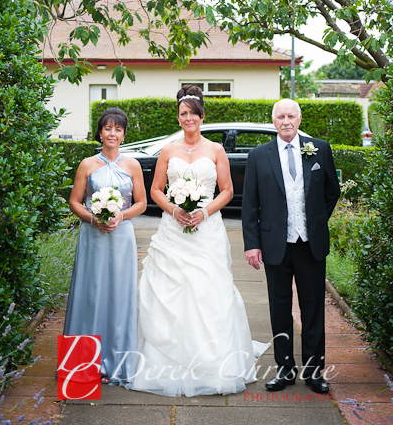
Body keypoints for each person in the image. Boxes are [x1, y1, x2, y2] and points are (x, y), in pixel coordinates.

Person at [125, 85, 269, 397]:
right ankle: (163, 360)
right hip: (173, 231)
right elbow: (155, 191)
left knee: (208, 289)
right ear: (178, 118)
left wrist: (203, 212)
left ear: (202, 116)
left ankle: (213, 361)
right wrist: (175, 209)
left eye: (192, 113)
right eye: (183, 113)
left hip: (206, 229)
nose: (188, 118)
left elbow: (228, 191)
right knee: (168, 290)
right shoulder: (168, 150)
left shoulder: (216, 150)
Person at [242, 98, 340, 394]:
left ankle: (313, 372)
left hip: (310, 244)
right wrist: (252, 244)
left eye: (291, 116)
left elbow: (330, 192)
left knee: (313, 309)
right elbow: (250, 205)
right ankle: (285, 370)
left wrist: (316, 220)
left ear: (299, 118)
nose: (286, 121)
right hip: (275, 245)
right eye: (280, 116)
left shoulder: (319, 148)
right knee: (279, 309)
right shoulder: (259, 155)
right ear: (274, 121)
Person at [63, 107, 147, 384]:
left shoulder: (132, 165)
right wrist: (92, 218)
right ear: (100, 132)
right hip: (93, 236)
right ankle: (83, 363)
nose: (113, 133)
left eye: (118, 129)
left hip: (122, 236)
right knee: (90, 294)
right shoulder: (87, 164)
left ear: (123, 134)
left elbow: (141, 203)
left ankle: (118, 362)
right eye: (108, 128)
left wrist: (120, 215)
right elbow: (75, 201)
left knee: (119, 294)